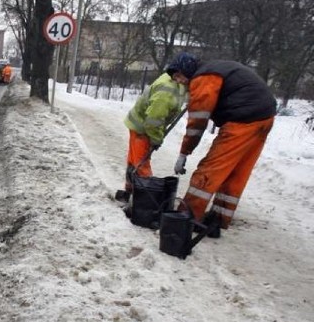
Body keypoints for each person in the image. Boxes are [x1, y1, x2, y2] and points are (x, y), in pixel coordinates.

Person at [168, 52, 277, 236]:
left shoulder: (203, 77)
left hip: (242, 120)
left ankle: (187, 216)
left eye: (178, 75)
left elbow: (197, 123)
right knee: (236, 172)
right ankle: (218, 219)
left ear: (187, 69)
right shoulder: (215, 68)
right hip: (264, 117)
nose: (178, 81)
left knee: (210, 169)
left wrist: (184, 152)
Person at [116, 63, 187, 202]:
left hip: (139, 126)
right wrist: (156, 138)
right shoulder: (166, 91)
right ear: (177, 74)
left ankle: (131, 191)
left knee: (134, 161)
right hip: (143, 129)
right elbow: (153, 121)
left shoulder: (174, 82)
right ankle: (144, 200)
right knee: (142, 165)